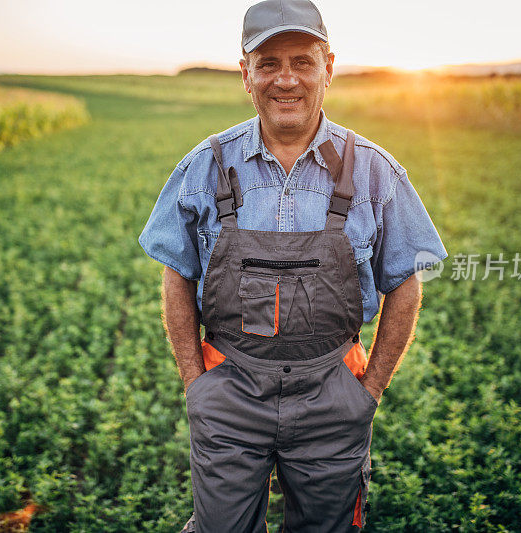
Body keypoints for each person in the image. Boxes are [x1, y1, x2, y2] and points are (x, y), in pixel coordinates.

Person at [138, 0, 448, 530]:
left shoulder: (375, 172)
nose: (286, 79)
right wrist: (196, 385)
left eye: (302, 62)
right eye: (268, 63)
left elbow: (405, 284)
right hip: (229, 395)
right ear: (246, 75)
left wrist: (367, 391)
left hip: (333, 396)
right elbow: (177, 275)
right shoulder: (205, 166)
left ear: (328, 69)